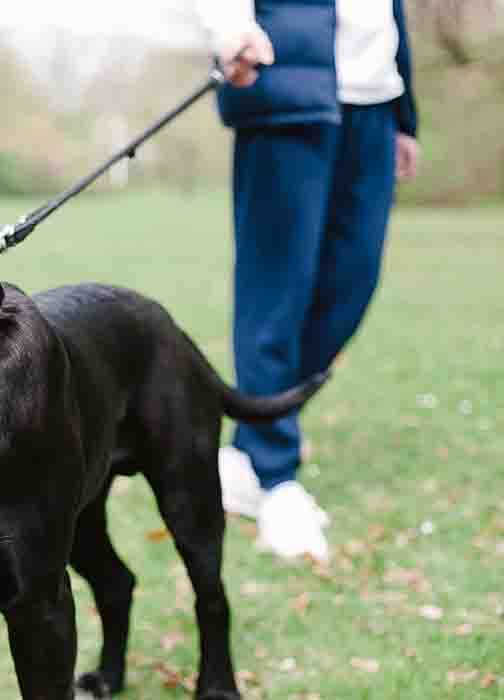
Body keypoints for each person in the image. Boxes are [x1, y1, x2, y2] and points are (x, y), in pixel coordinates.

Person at [194, 0, 421, 562]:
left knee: (352, 285)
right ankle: (275, 479)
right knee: (276, 295)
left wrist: (404, 115)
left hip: (375, 102)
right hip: (288, 91)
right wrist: (230, 27)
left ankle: (249, 449)